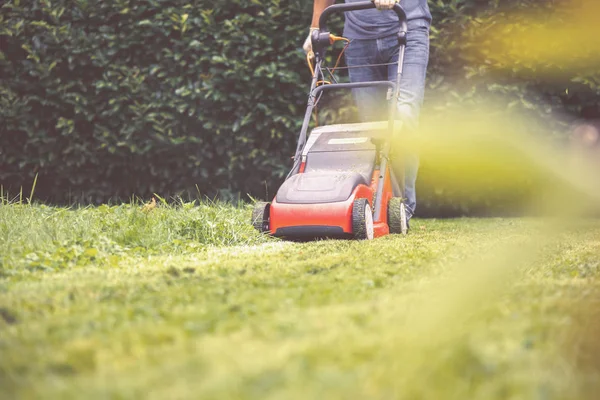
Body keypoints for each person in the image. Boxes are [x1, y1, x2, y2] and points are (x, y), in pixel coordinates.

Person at [304, 0, 431, 224]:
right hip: (358, 37)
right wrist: (315, 29)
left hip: (407, 27)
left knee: (404, 115)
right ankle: (384, 205)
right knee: (372, 130)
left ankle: (403, 208)